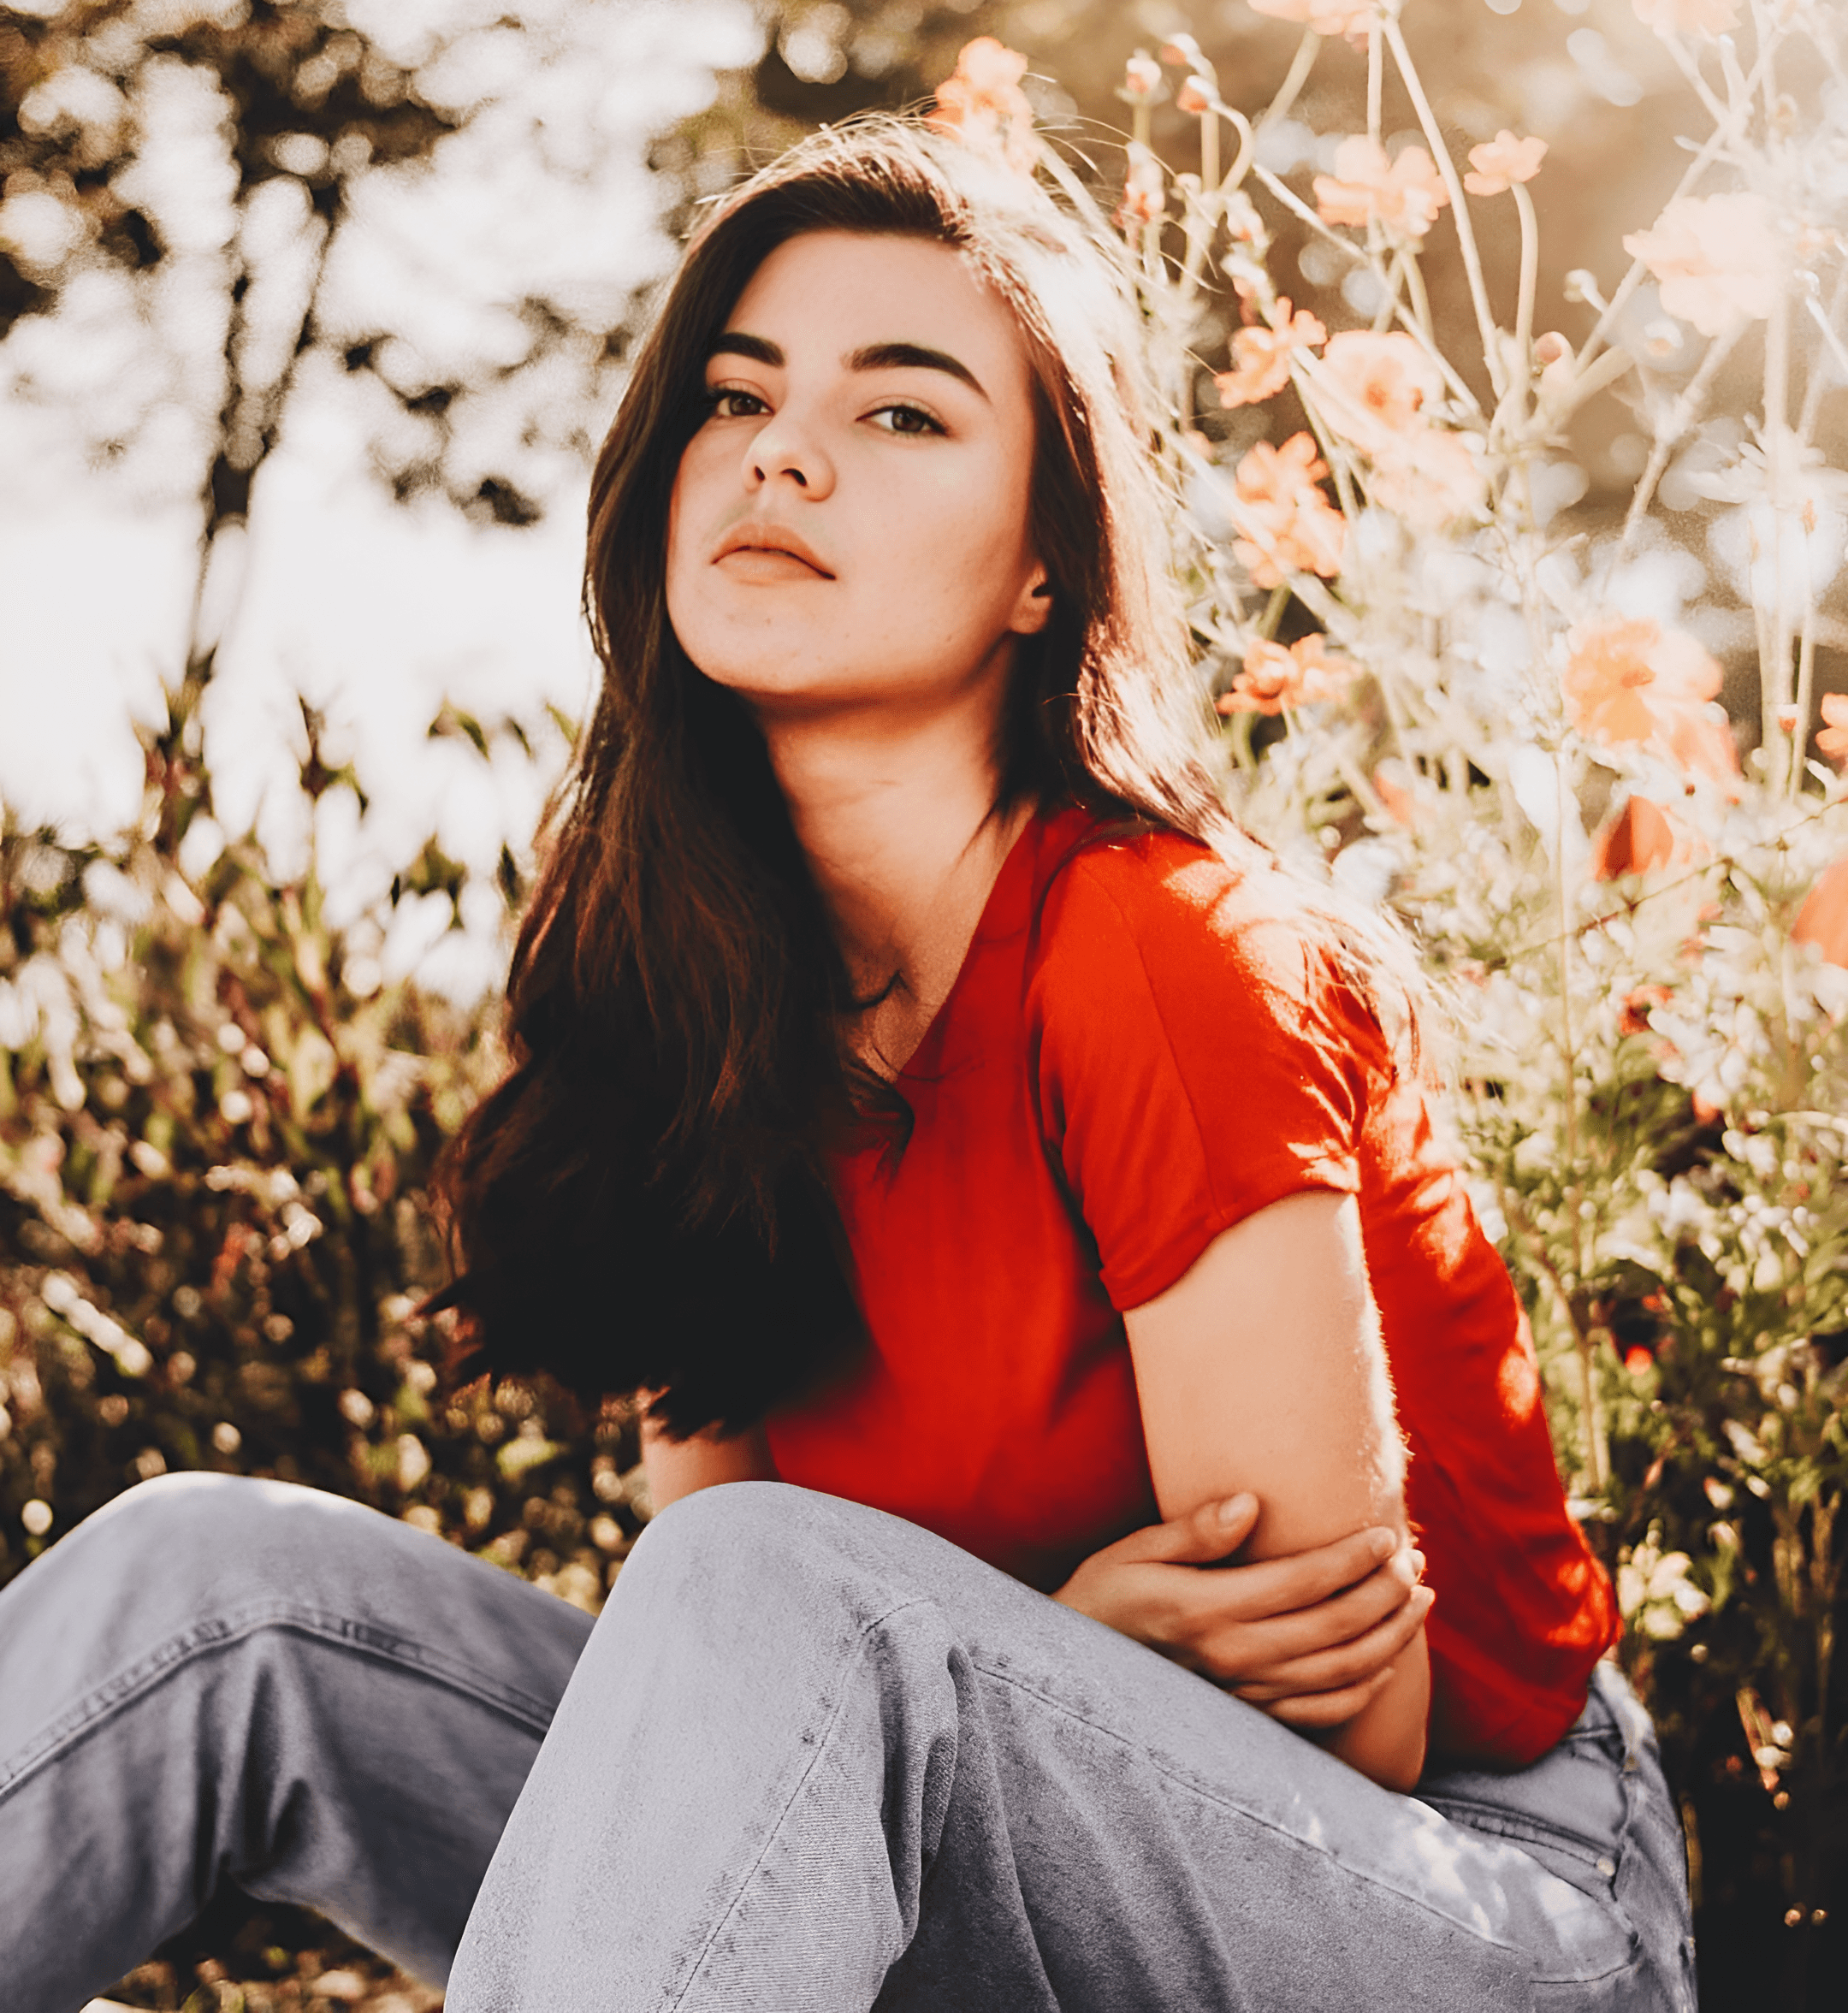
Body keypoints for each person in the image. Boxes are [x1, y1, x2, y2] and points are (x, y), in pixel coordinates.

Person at [0, 119, 1696, 2012]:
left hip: (1462, 1898)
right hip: (913, 1855)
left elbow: (1351, 1711)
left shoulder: (1167, 955)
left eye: (904, 415)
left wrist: (980, 1672)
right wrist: (1014, 1656)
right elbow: (730, 1632)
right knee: (218, 1591)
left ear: (1043, 572)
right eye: (737, 393)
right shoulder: (681, 996)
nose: (780, 451)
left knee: (761, 1595)